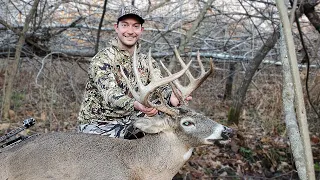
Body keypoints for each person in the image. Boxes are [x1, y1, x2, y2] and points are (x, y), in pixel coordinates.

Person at [78, 5, 189, 139]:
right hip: (100, 124)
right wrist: (135, 104)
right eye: (125, 25)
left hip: (133, 121)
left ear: (141, 30)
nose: (130, 31)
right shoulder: (102, 59)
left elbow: (160, 87)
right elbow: (110, 94)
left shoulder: (146, 61)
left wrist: (171, 97)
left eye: (135, 26)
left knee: (167, 137)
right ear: (116, 27)